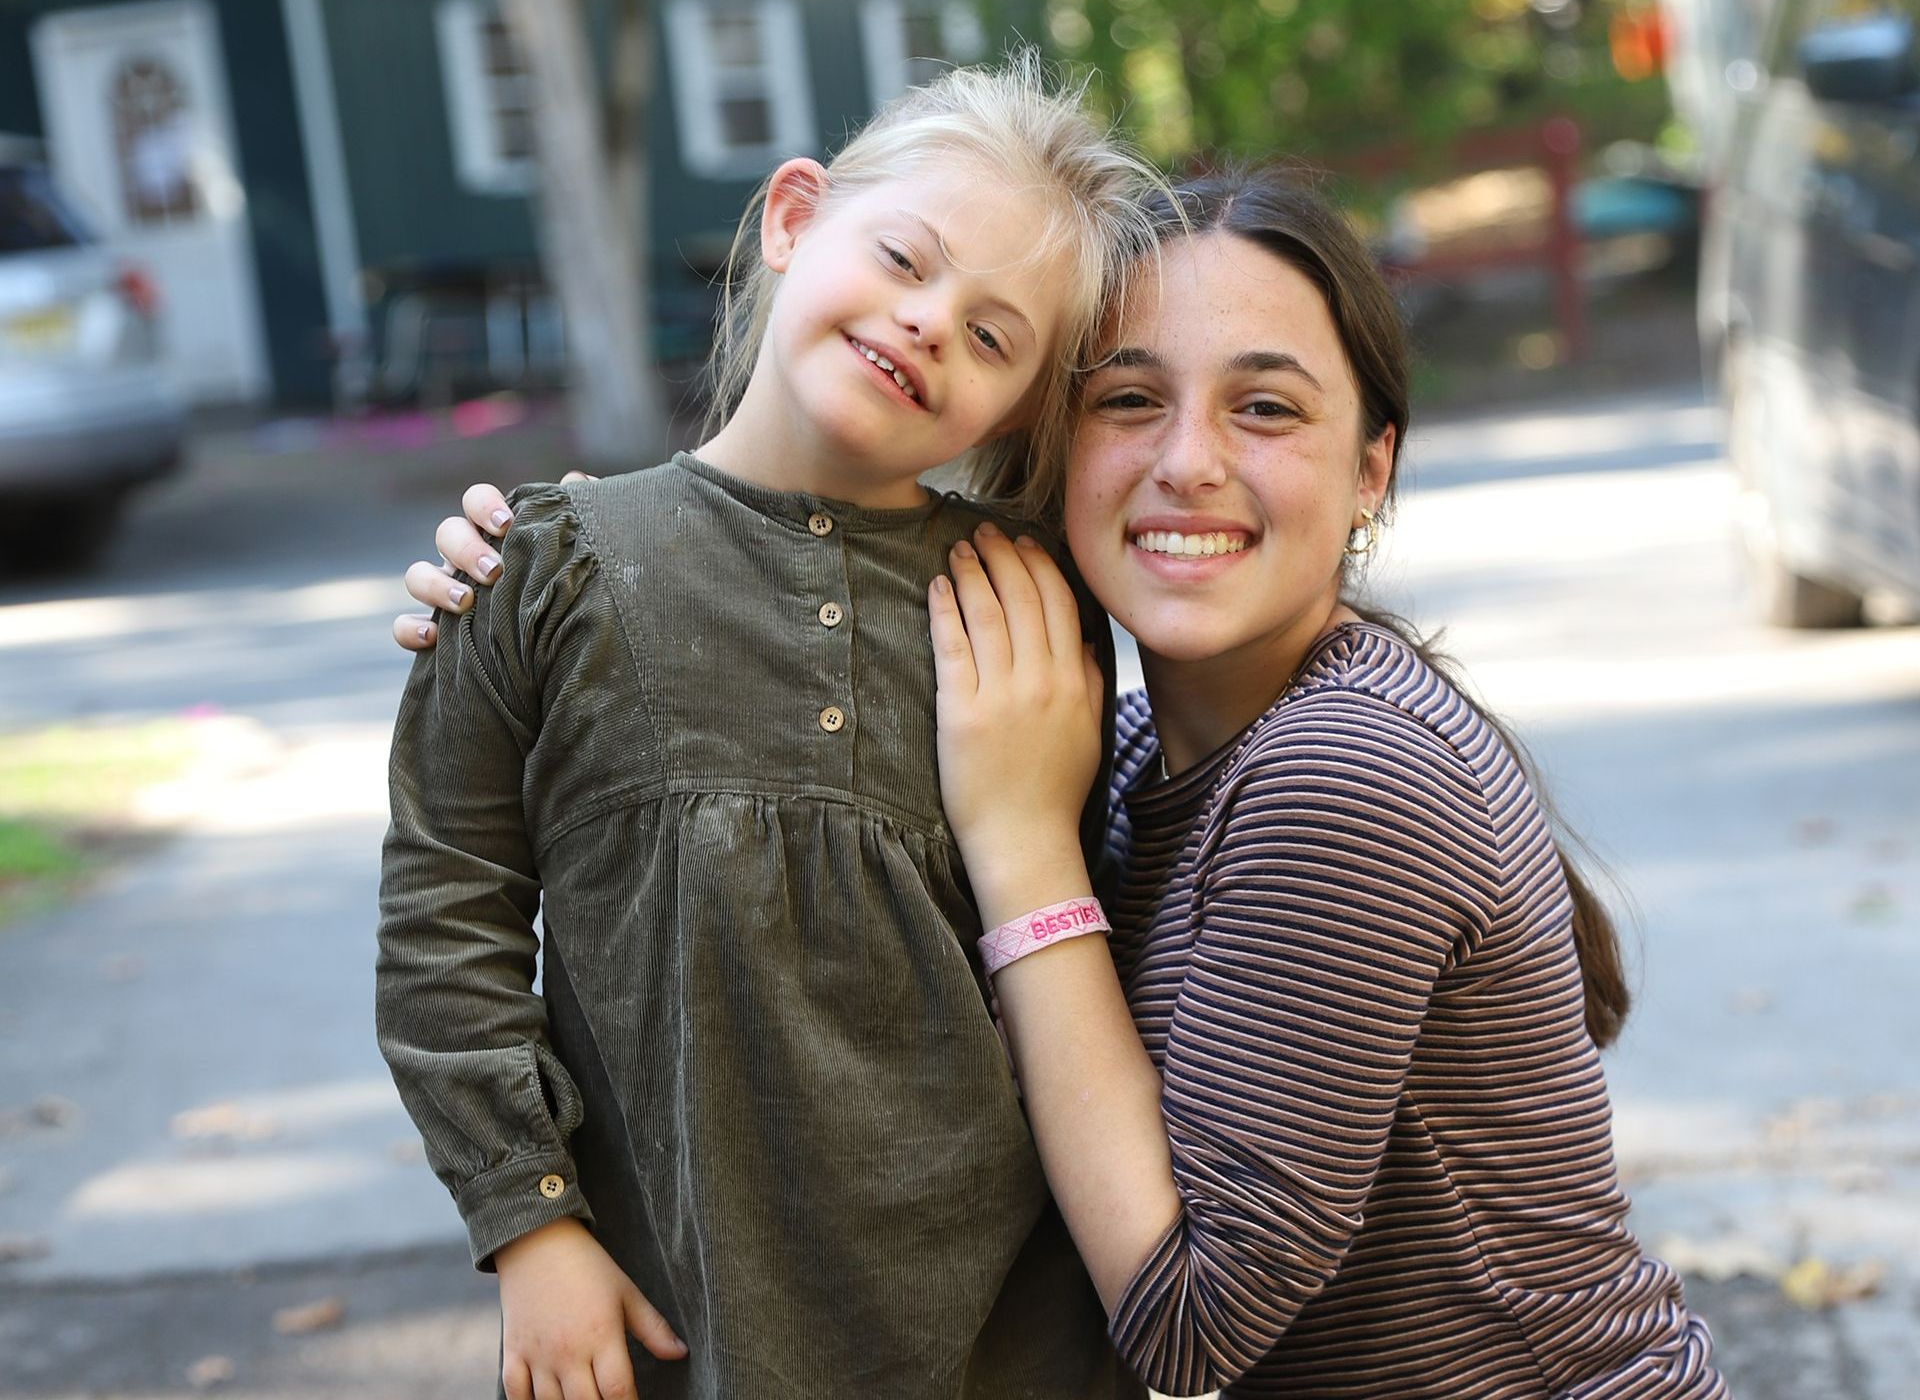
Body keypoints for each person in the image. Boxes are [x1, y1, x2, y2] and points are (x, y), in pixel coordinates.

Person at [396, 169, 1731, 1397]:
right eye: (1129, 399)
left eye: (1265, 406)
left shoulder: (1345, 770)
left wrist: (1023, 836)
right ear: (1050, 448)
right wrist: (578, 572)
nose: (1188, 460)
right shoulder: (1139, 748)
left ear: (1371, 465)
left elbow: (1189, 1326)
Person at [376, 55, 1166, 1400]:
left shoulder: (1024, 604)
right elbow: (444, 916)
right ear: (795, 219)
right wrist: (531, 1222)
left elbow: (1086, 935)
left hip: (1006, 1341)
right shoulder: (547, 568)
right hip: (680, 1323)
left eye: (993, 336)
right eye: (906, 259)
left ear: (1023, 405)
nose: (928, 324)